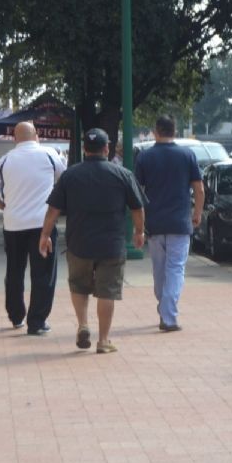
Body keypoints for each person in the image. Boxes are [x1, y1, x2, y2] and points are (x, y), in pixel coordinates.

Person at [39, 128, 146, 353]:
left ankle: (83, 324)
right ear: (107, 148)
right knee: (107, 291)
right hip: (112, 244)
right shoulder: (123, 174)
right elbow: (137, 207)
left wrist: (45, 235)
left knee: (79, 285)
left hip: (79, 243)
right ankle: (103, 340)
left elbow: (53, 210)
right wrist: (139, 232)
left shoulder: (71, 175)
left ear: (84, 149)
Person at [0, 122, 66, 335]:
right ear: (36, 136)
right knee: (43, 273)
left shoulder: (6, 160)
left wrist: (2, 205)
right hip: (42, 225)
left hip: (13, 225)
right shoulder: (49, 155)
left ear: (14, 138)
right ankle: (36, 321)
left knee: (14, 271)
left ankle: (16, 315)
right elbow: (64, 181)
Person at [134, 116, 204, 332]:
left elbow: (137, 193)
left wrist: (138, 226)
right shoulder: (187, 155)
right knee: (175, 270)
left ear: (156, 131)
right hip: (180, 222)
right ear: (175, 131)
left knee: (159, 271)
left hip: (154, 224)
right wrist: (197, 213)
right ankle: (169, 316)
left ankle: (165, 308)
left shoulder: (145, 157)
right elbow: (199, 189)